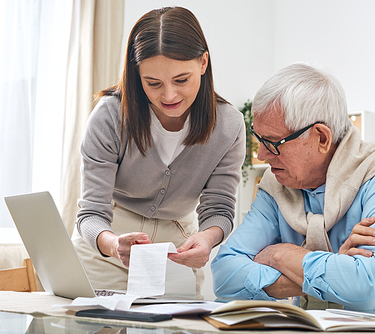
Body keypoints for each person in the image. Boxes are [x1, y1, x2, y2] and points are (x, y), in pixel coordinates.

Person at [211, 62, 375, 314]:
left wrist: (283, 256)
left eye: (273, 142)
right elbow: (224, 275)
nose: (262, 154)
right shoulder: (276, 185)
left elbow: (367, 289)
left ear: (321, 137)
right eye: (259, 138)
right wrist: (337, 269)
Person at [72, 6, 245, 295]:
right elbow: (90, 214)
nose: (169, 96)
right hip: (109, 245)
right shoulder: (110, 116)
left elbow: (220, 209)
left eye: (181, 80)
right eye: (153, 83)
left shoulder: (228, 125)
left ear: (203, 63)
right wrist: (113, 245)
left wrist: (208, 239)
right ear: (136, 73)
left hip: (177, 250)